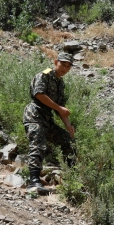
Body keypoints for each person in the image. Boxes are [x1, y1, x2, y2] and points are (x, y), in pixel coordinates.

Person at [23, 52, 76, 191]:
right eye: (63, 64)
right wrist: (59, 108)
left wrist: (68, 125)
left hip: (47, 119)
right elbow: (39, 94)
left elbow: (61, 109)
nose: (65, 68)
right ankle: (33, 181)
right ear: (55, 62)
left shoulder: (60, 83)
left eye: (68, 66)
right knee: (38, 145)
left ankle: (72, 178)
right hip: (34, 115)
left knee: (67, 140)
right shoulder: (44, 75)